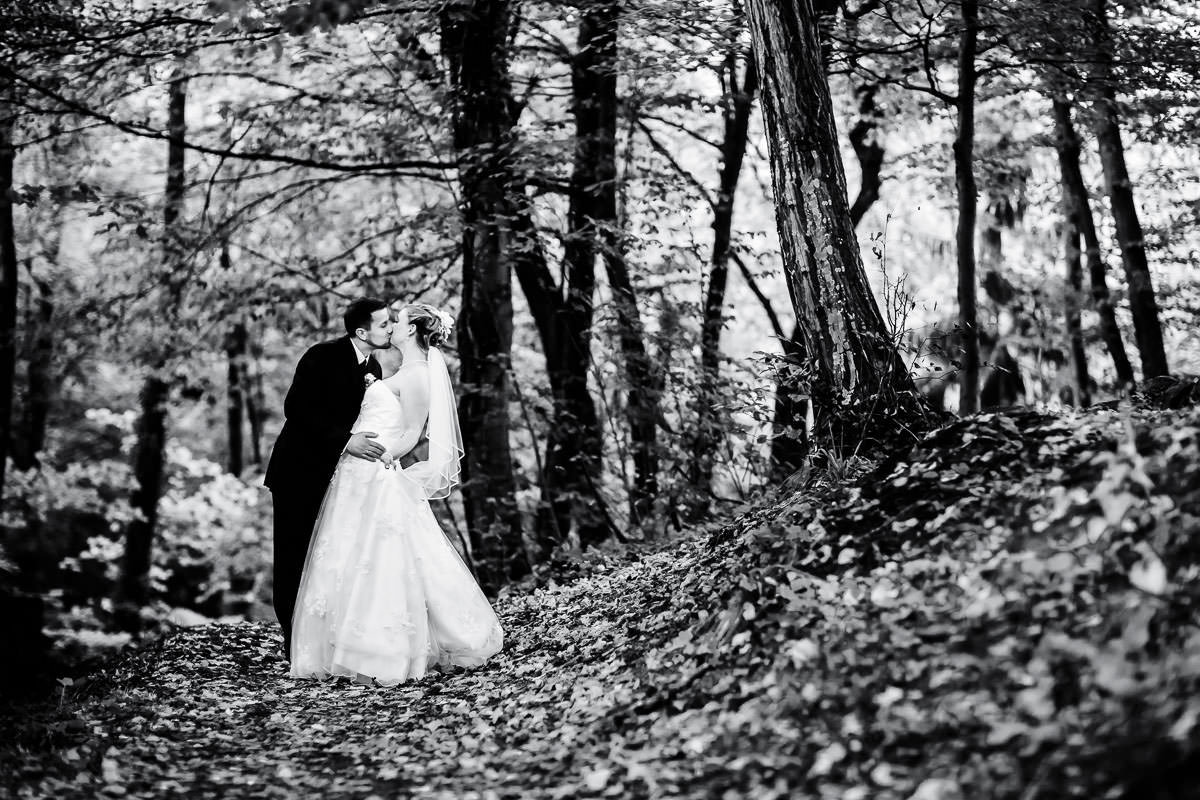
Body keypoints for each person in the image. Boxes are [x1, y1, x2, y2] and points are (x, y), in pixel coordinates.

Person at [289, 303, 503, 685]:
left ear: (413, 330)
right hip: (352, 471)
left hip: (376, 469)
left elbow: (413, 433)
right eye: (386, 322)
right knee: (347, 555)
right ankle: (336, 645)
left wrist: (385, 457)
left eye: (397, 322)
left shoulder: (418, 375)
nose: (391, 327)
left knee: (381, 559)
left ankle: (381, 650)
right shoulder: (388, 368)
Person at [264, 297, 393, 659]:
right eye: (384, 324)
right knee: (293, 554)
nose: (391, 328)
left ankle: (323, 639)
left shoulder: (374, 367)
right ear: (361, 332)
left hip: (340, 478)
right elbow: (296, 408)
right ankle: (293, 642)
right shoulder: (322, 355)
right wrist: (346, 441)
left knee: (327, 558)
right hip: (298, 471)